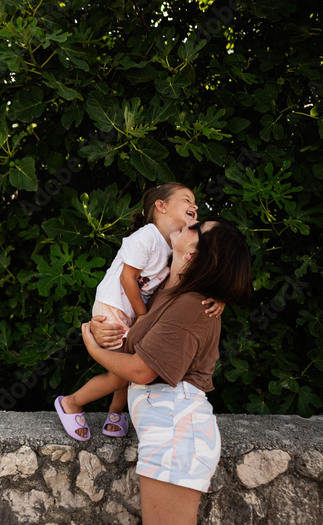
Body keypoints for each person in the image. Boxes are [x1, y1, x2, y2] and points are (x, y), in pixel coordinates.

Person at [82, 217, 252, 525]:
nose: (190, 220)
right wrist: (100, 328)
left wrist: (93, 349)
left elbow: (141, 370)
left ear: (193, 254)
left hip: (176, 432)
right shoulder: (166, 292)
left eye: (197, 227)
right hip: (170, 428)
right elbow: (133, 342)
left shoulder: (192, 305)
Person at [54, 183, 224, 440]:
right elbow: (127, 279)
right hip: (115, 307)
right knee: (121, 374)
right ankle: (71, 403)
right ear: (161, 206)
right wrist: (142, 315)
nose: (195, 205)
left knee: (128, 369)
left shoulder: (173, 247)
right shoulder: (147, 236)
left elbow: (200, 273)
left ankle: (115, 412)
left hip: (132, 311)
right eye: (187, 199)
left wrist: (220, 297)